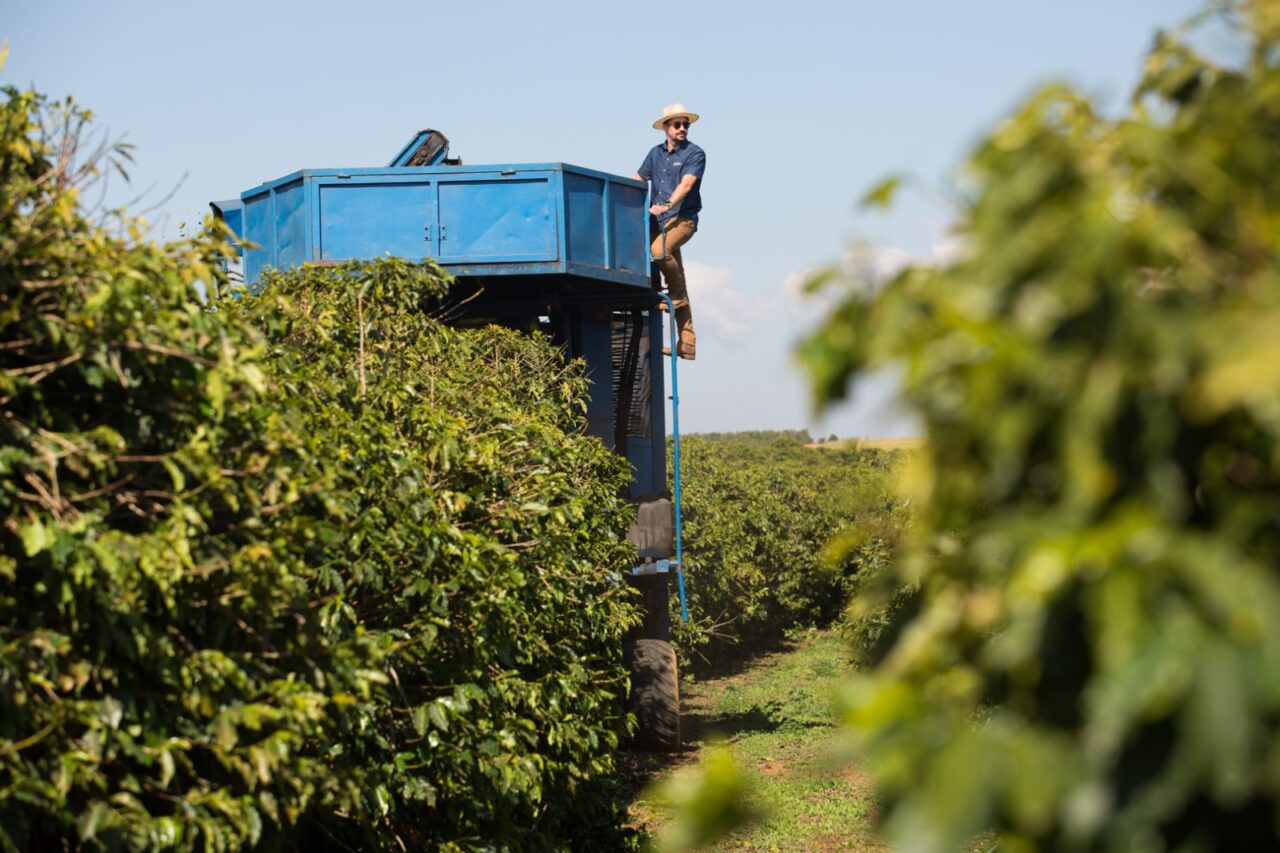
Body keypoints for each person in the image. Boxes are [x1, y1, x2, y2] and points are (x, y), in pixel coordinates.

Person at [633, 103, 705, 360]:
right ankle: (687, 342)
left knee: (659, 250)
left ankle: (675, 297)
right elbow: (639, 179)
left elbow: (687, 185)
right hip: (660, 223)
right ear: (666, 127)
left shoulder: (695, 154)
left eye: (686, 124)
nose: (683, 128)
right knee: (679, 278)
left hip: (683, 219)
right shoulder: (655, 154)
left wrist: (666, 205)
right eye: (677, 124)